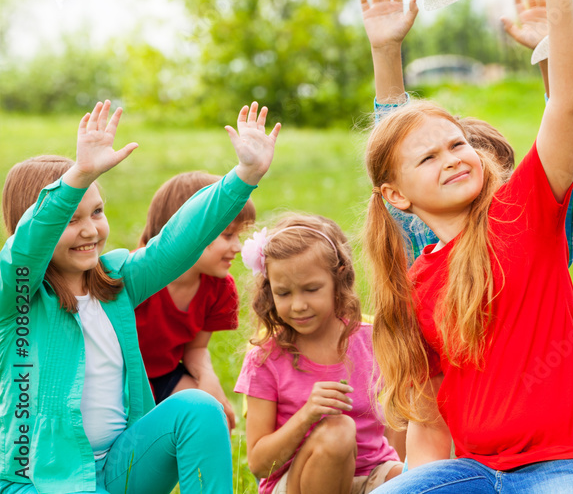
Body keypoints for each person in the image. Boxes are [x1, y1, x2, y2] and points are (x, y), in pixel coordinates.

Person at [360, 0, 573, 492]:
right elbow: (428, 426)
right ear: (398, 196)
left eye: (459, 146)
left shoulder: (523, 219)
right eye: (432, 156)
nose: (454, 159)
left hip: (565, 460)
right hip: (479, 470)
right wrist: (386, 53)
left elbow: (565, 112)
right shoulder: (420, 277)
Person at [0, 100, 278, 494]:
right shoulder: (15, 297)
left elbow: (178, 241)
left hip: (120, 467)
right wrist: (79, 174)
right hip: (37, 482)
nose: (90, 230)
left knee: (198, 408)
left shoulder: (117, 281)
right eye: (70, 219)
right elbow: (28, 248)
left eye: (96, 212)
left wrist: (244, 175)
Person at [235, 213, 403, 494]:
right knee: (338, 432)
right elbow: (260, 464)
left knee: (435, 475)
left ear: (339, 278)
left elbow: (401, 424)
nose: (298, 305)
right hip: (299, 482)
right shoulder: (264, 359)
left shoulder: (372, 341)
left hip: (371, 474)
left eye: (311, 289)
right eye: (284, 293)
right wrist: (307, 415)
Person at [134, 171, 256, 429]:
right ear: (185, 232)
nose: (237, 247)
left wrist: (208, 380)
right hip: (118, 380)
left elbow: (196, 349)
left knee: (212, 417)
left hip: (165, 375)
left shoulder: (219, 288)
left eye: (239, 236)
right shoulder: (136, 277)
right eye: (227, 235)